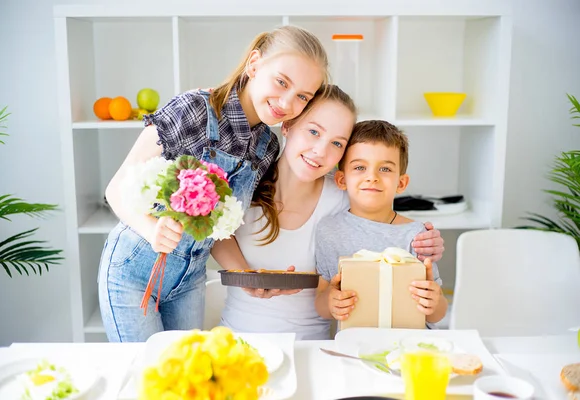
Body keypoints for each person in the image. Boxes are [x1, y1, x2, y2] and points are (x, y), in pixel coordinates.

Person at [98, 25, 330, 342]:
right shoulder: (193, 109)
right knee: (148, 380)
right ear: (254, 64)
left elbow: (219, 231)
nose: (287, 103)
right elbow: (116, 189)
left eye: (302, 96)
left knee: (186, 378)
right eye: (281, 82)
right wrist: (153, 229)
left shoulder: (266, 147)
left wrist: (247, 276)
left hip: (189, 281)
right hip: (133, 273)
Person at [212, 87, 445, 340]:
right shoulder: (245, 181)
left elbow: (384, 221)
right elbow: (213, 234)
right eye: (313, 132)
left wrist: (427, 241)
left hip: (312, 344)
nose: (321, 151)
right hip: (235, 336)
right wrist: (245, 276)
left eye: (336, 143)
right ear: (287, 125)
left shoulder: (344, 194)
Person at [314, 120, 449, 327]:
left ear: (401, 183)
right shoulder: (329, 231)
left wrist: (435, 301)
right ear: (341, 179)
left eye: (385, 169)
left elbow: (437, 313)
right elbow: (321, 303)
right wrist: (331, 302)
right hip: (354, 345)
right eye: (359, 167)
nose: (372, 177)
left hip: (410, 346)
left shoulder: (416, 235)